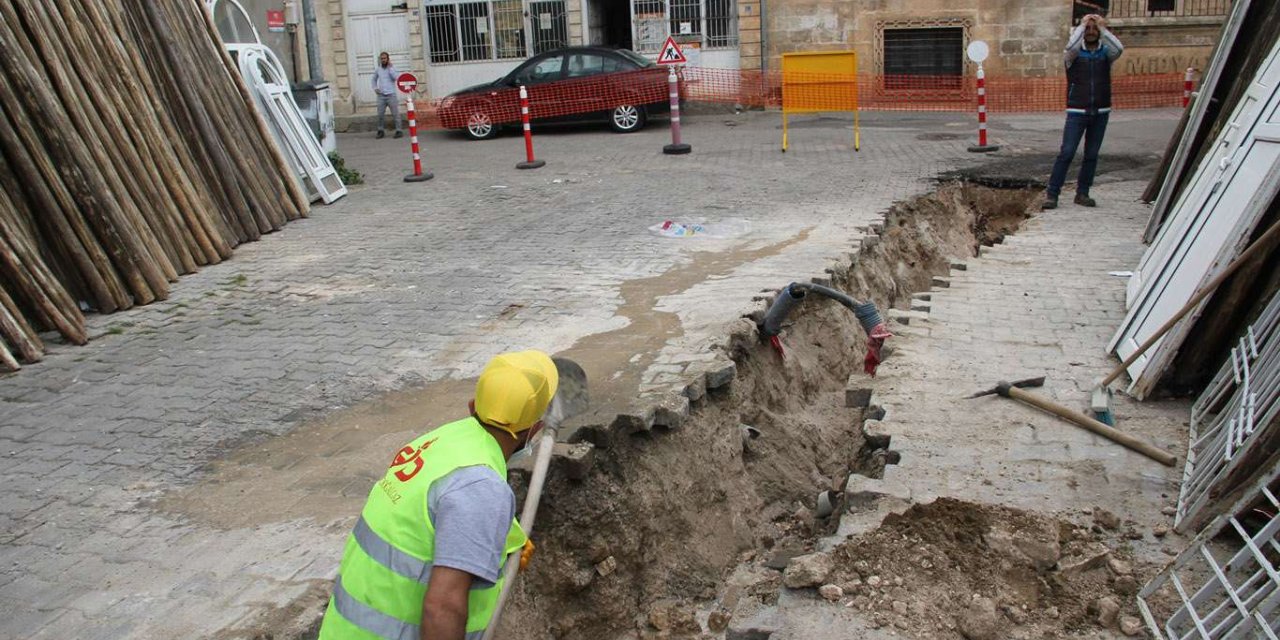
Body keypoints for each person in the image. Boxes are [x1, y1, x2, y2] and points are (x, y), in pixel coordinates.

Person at [318, 350, 557, 640]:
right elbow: (442, 608)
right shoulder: (482, 489)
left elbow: (430, 513)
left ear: (472, 407)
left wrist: (503, 533)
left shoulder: (439, 441)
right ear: (534, 430)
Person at [1044, 14, 1123, 210]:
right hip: (1077, 110)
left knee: (1092, 154)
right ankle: (1052, 193)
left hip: (1101, 111)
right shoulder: (1074, 56)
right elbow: (1070, 47)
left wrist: (1102, 28)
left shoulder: (1105, 54)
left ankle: (1083, 193)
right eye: (1088, 30)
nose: (1091, 32)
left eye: (1094, 30)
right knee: (1067, 152)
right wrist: (1082, 24)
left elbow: (1119, 48)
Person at [372, 52, 403, 139]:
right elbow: (373, 79)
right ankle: (380, 131)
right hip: (381, 96)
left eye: (385, 58)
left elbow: (396, 78)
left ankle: (399, 131)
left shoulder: (393, 68)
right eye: (382, 58)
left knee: (395, 114)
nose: (383, 60)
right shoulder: (378, 69)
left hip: (391, 95)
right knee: (380, 114)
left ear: (388, 59)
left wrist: (390, 68)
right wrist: (375, 88)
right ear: (380, 60)